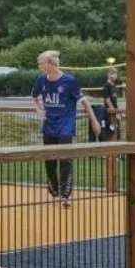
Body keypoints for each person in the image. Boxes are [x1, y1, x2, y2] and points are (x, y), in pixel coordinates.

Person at [32, 50, 101, 206]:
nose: (39, 67)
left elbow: (85, 102)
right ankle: (55, 193)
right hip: (49, 126)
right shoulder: (41, 80)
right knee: (49, 161)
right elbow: (34, 96)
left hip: (65, 126)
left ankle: (65, 195)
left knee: (65, 160)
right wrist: (39, 109)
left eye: (41, 64)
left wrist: (94, 121)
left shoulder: (69, 81)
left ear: (51, 64)